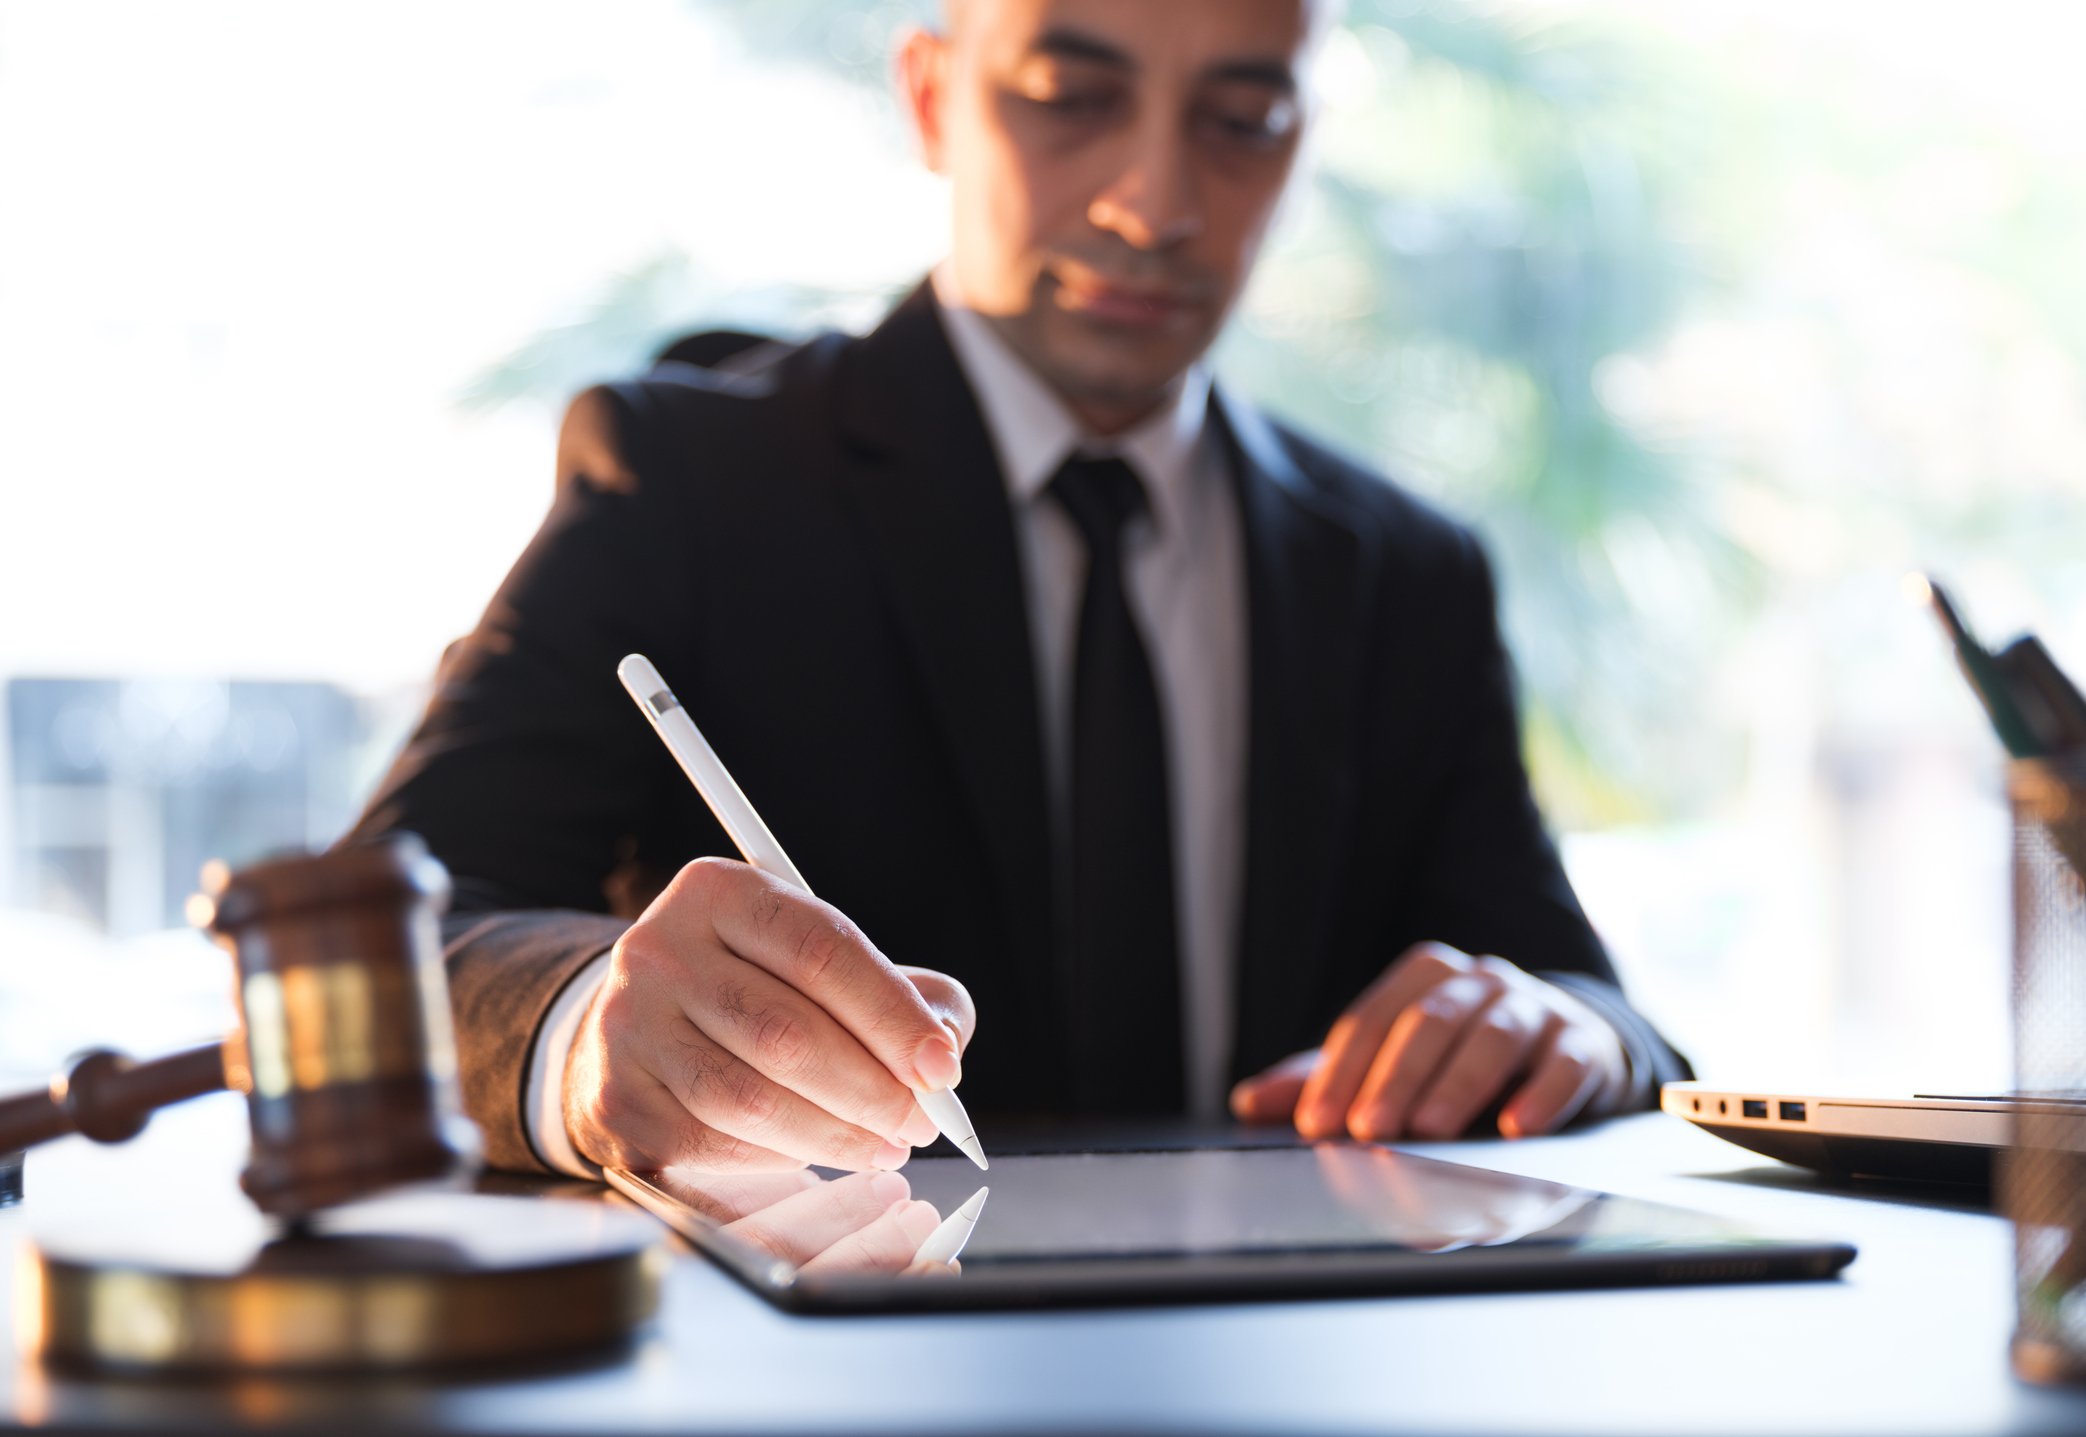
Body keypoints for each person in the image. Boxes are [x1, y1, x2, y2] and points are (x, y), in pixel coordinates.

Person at [348, 0, 1688, 1180]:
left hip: (1287, 1348)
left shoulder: (1404, 574)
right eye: (1067, 99)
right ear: (932, 97)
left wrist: (1559, 1029)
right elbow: (383, 939)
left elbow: (1586, 999)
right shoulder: (690, 478)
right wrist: (588, 1029)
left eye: (1241, 117)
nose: (1151, 204)